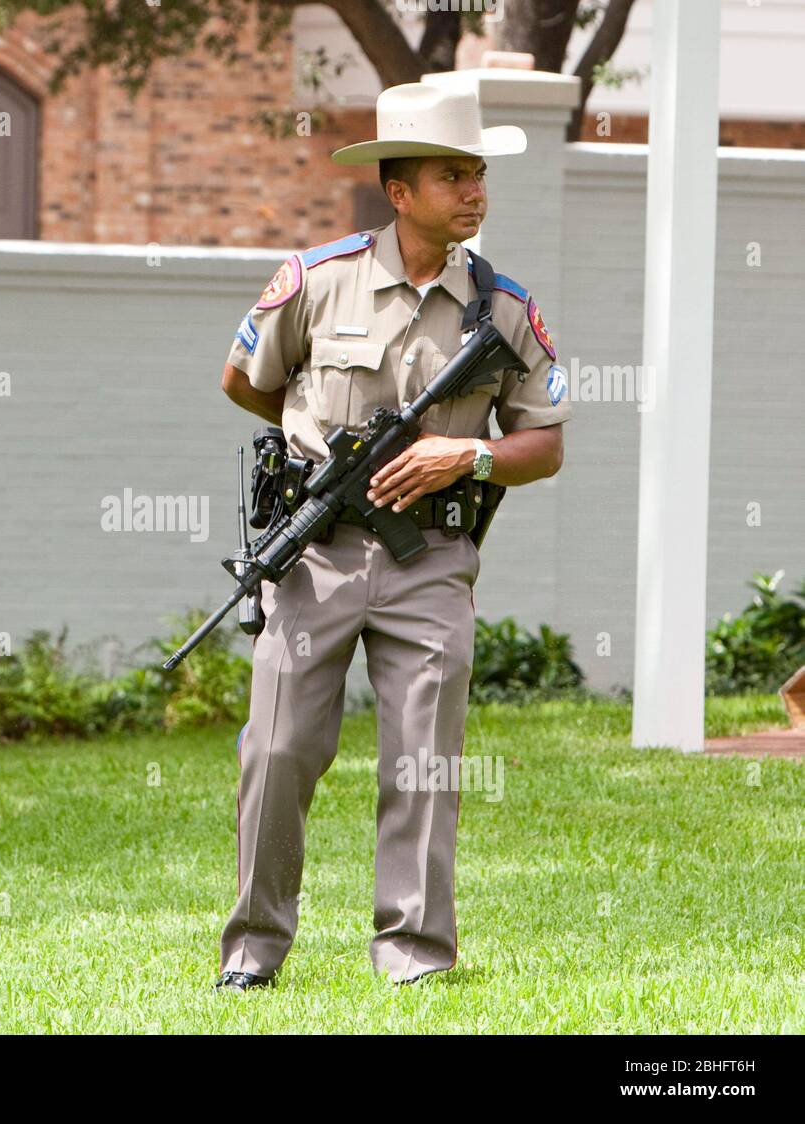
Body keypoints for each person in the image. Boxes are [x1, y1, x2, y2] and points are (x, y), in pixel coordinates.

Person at [214, 82, 572, 991]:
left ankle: (411, 958)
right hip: (316, 555)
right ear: (398, 190)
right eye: (453, 175)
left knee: (421, 761)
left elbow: (544, 444)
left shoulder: (504, 309)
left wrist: (466, 457)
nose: (475, 190)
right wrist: (312, 453)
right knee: (278, 752)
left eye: (479, 174)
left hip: (431, 564)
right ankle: (253, 953)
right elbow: (243, 379)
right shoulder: (315, 278)